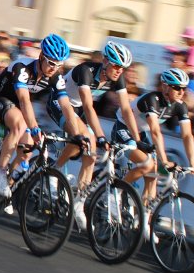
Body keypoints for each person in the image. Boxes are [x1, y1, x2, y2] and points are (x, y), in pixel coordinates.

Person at [50, 41, 142, 225]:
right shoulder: (86, 71)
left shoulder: (118, 78)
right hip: (61, 103)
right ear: (105, 61)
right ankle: (55, 170)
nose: (119, 71)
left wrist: (137, 140)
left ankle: (79, 201)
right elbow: (88, 106)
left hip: (79, 110)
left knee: (90, 155)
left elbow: (126, 110)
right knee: (87, 139)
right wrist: (100, 136)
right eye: (116, 66)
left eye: (122, 68)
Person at [0, 34, 74, 199]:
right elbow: (24, 100)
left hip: (18, 106)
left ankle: (7, 188)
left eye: (59, 65)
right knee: (19, 125)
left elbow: (66, 105)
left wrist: (76, 132)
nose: (54, 68)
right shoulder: (22, 68)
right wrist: (34, 128)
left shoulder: (55, 76)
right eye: (51, 63)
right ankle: (0, 172)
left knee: (27, 151)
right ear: (41, 57)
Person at [112, 68, 194, 208]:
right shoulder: (152, 99)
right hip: (123, 128)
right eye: (177, 88)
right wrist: (164, 161)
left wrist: (193, 163)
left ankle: (144, 216)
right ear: (165, 87)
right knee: (146, 164)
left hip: (140, 132)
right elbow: (155, 131)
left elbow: (187, 135)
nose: (181, 92)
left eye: (184, 88)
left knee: (152, 175)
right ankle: (115, 194)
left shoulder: (180, 106)